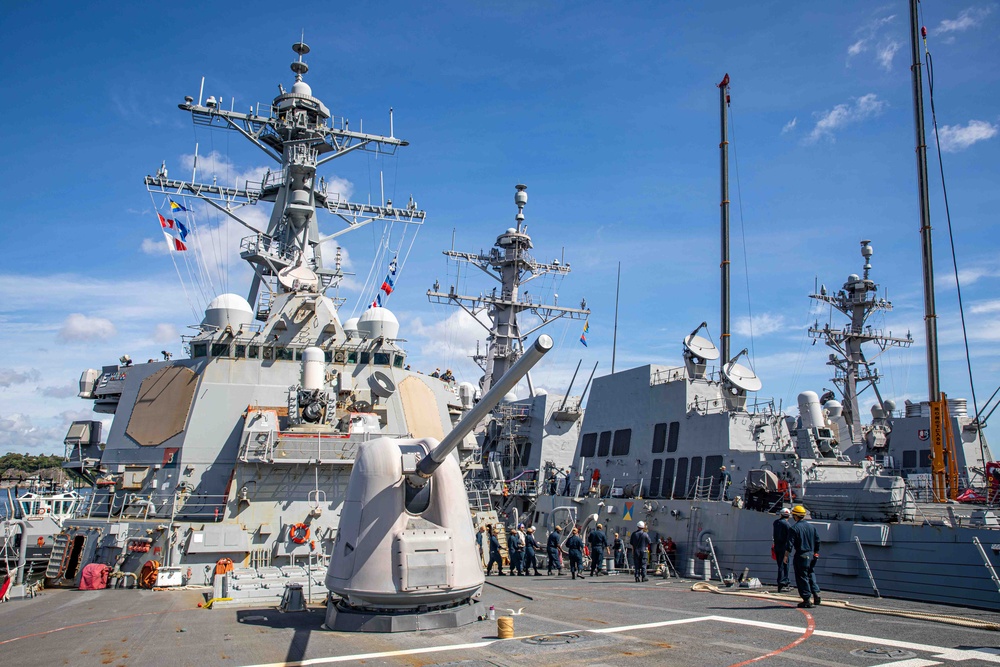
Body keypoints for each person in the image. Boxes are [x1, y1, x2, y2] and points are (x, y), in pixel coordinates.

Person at [788, 505, 821, 608]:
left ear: (795, 516)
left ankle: (807, 599)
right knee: (811, 573)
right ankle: (816, 594)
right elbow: (817, 541)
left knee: (802, 577)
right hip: (812, 555)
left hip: (801, 555)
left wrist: (786, 555)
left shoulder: (794, 528)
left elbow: (789, 544)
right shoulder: (812, 527)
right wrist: (816, 552)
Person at [773, 508, 792, 592]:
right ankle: (784, 583)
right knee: (786, 566)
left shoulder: (775, 523)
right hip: (785, 549)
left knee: (780, 565)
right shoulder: (787, 525)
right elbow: (790, 536)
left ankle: (779, 583)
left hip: (777, 547)